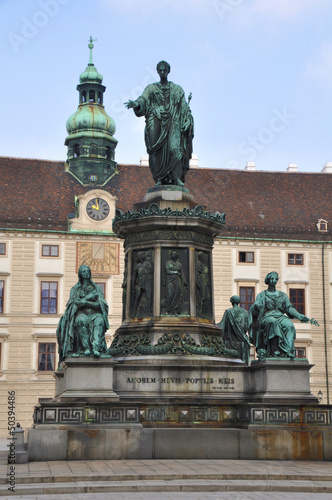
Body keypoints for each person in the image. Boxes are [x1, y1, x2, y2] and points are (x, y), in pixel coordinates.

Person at [125, 60, 194, 186]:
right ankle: (159, 178)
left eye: (164, 69)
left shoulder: (177, 89)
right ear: (157, 71)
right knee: (154, 151)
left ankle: (176, 177)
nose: (162, 72)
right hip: (155, 119)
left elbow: (185, 108)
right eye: (160, 70)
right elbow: (143, 99)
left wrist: (188, 120)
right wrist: (136, 104)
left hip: (173, 122)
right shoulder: (151, 88)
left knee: (175, 149)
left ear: (168, 71)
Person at [249, 271, 319, 359]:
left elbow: (289, 308)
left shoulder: (282, 295)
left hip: (281, 316)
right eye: (272, 279)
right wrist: (256, 307)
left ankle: (288, 351)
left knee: (290, 326)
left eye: (275, 279)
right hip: (267, 316)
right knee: (273, 323)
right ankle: (275, 351)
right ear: (268, 280)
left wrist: (299, 315)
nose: (274, 281)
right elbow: (255, 311)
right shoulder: (262, 295)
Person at [56, 265, 109, 362]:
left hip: (95, 314)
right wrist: (89, 298)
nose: (86, 273)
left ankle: (96, 348)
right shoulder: (75, 289)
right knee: (80, 321)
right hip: (81, 314)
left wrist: (85, 302)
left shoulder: (97, 288)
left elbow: (102, 305)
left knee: (100, 321)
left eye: (88, 271)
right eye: (84, 271)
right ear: (80, 274)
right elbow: (73, 305)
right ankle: (86, 348)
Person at [218, 296, 250, 364]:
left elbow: (222, 326)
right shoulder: (246, 313)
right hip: (243, 340)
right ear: (239, 302)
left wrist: (214, 326)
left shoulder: (228, 312)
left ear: (231, 302)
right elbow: (247, 327)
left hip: (231, 342)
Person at [162, 250, 188, 315]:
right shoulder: (168, 263)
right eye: (172, 254)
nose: (172, 255)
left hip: (177, 280)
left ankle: (174, 311)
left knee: (177, 296)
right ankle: (168, 310)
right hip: (169, 280)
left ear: (176, 256)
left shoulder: (179, 264)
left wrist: (184, 282)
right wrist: (176, 272)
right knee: (170, 295)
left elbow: (182, 274)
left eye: (174, 254)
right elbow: (167, 271)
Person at [196, 251, 211, 319]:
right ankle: (199, 313)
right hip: (201, 281)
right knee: (201, 297)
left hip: (206, 282)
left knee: (207, 297)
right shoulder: (198, 265)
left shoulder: (204, 265)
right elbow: (196, 275)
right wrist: (198, 283)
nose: (205, 257)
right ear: (201, 257)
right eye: (203, 256)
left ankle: (203, 313)